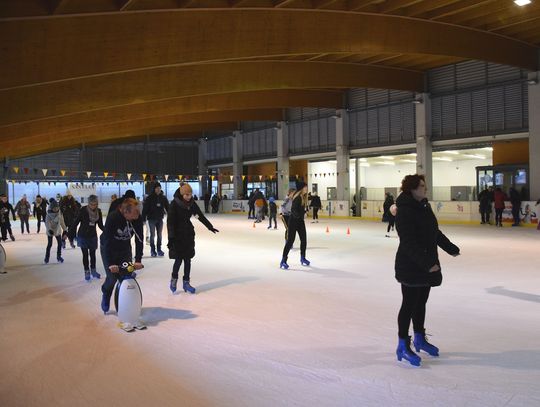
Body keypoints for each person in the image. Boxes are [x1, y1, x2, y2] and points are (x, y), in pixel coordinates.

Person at [394, 174, 460, 367]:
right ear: (412, 189)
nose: (425, 189)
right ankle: (403, 345)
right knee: (409, 303)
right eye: (422, 186)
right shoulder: (405, 210)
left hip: (426, 264)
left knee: (421, 302)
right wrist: (426, 263)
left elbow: (434, 231)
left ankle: (419, 338)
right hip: (411, 265)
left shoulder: (424, 206)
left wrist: (450, 248)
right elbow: (408, 242)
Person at [167, 183, 219, 294]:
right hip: (177, 236)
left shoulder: (192, 204)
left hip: (188, 234)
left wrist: (210, 227)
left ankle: (186, 282)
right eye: (186, 194)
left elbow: (200, 216)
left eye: (190, 194)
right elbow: (170, 222)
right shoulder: (174, 204)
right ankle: (174, 280)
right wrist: (171, 238)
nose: (189, 196)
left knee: (188, 260)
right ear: (182, 194)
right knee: (178, 260)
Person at [100, 197, 144, 314]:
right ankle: (106, 292)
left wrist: (138, 259)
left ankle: (124, 304)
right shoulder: (113, 218)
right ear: (126, 212)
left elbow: (139, 239)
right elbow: (108, 241)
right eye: (135, 211)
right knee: (113, 277)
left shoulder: (137, 218)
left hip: (124, 249)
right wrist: (111, 263)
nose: (138, 213)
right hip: (109, 248)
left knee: (126, 275)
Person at [70, 195, 104, 281]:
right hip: (83, 236)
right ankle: (86, 271)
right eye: (92, 204)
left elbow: (100, 225)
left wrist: (107, 231)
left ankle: (93, 270)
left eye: (95, 204)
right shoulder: (83, 210)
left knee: (93, 255)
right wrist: (68, 233)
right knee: (85, 255)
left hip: (92, 236)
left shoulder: (98, 212)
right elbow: (76, 222)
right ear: (88, 203)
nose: (94, 206)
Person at [280, 181, 310, 269]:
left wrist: (303, 212)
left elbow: (299, 210)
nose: (307, 189)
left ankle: (303, 258)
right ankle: (283, 260)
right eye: (305, 187)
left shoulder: (303, 197)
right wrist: (300, 215)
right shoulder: (297, 198)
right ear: (302, 188)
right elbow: (293, 210)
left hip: (300, 221)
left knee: (304, 239)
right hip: (293, 221)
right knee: (290, 241)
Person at [142, 182, 169, 257]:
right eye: (157, 188)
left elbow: (168, 208)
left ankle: (159, 249)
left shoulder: (163, 198)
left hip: (160, 219)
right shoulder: (149, 198)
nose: (158, 190)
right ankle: (153, 250)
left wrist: (171, 216)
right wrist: (143, 218)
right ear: (154, 189)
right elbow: (145, 209)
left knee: (159, 235)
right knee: (152, 235)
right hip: (151, 219)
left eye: (159, 188)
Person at [44, 198, 67, 264]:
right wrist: (50, 230)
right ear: (51, 208)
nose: (56, 209)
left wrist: (65, 230)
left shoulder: (60, 214)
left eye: (57, 207)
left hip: (57, 231)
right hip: (50, 231)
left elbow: (62, 222)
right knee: (49, 244)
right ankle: (47, 257)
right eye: (54, 208)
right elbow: (47, 224)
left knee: (59, 244)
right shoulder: (48, 215)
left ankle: (59, 256)